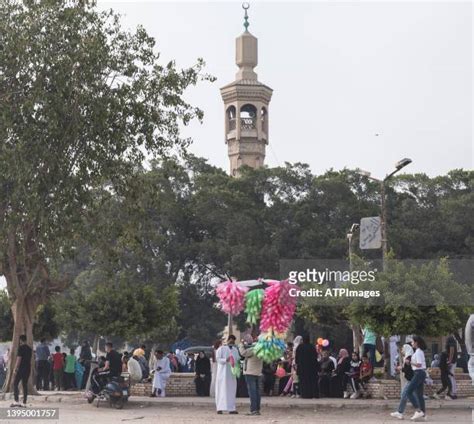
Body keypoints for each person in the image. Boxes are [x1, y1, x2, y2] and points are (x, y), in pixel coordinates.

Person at [390, 335, 427, 421]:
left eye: (413, 342)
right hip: (420, 373)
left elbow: (419, 364)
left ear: (416, 343)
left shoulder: (418, 352)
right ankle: (423, 414)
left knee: (409, 392)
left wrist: (409, 362)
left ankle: (418, 410)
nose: (411, 343)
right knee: (419, 395)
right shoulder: (419, 351)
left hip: (418, 373)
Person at [215, 335, 240, 415]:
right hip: (222, 374)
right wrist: (226, 360)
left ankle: (231, 408)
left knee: (231, 391)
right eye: (231, 341)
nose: (232, 343)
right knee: (221, 390)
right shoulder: (221, 349)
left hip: (231, 374)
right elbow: (218, 359)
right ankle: (220, 408)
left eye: (233, 341)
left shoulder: (235, 350)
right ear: (228, 340)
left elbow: (237, 360)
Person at [239, 334, 263, 416]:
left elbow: (243, 353)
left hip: (250, 372)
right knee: (257, 392)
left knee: (252, 392)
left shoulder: (254, 349)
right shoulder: (263, 350)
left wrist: (241, 344)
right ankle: (257, 409)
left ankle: (253, 410)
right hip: (258, 372)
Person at [11, 335, 32, 408]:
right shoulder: (29, 349)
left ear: (21, 340)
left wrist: (15, 368)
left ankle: (16, 401)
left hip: (21, 368)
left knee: (15, 383)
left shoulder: (21, 348)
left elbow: (19, 359)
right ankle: (24, 402)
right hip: (28, 368)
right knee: (24, 384)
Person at [295, 334, 319, 399]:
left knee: (303, 381)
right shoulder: (312, 347)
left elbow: (296, 358)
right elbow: (315, 357)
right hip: (311, 368)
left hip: (302, 367)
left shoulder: (300, 347)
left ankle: (305, 395)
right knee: (312, 381)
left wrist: (298, 364)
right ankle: (314, 394)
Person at [445, 335, 457, 399]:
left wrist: (449, 360)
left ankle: (452, 392)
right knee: (451, 376)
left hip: (452, 361)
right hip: (452, 361)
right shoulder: (451, 338)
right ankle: (453, 392)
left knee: (451, 376)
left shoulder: (450, 338)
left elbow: (452, 350)